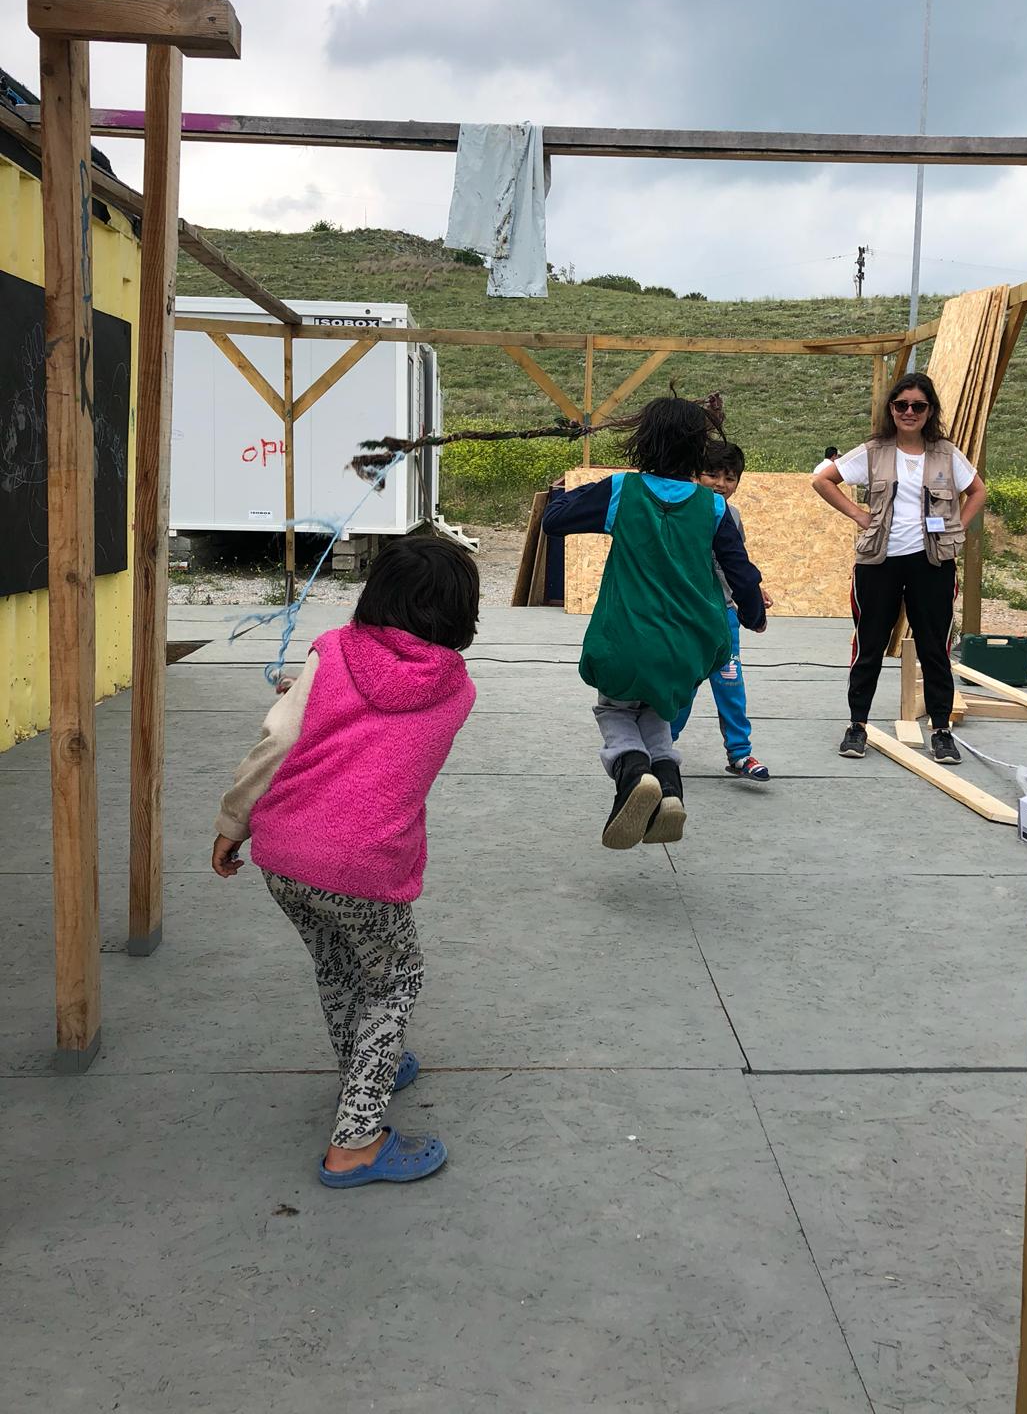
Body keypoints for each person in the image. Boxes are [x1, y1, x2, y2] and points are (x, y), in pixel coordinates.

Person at [210, 537, 479, 1190]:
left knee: (336, 967)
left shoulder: (329, 651)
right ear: (460, 614)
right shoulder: (457, 690)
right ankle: (356, 1143)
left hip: (284, 856)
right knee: (393, 981)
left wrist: (232, 823)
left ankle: (363, 1068)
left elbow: (282, 737)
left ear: (374, 593)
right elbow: (386, 720)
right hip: (364, 868)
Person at [542, 395, 766, 848]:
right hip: (689, 646)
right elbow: (742, 573)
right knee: (656, 715)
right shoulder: (714, 508)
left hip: (627, 637)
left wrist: (589, 489)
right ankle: (669, 793)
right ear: (698, 450)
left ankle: (632, 774)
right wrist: (754, 615)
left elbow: (554, 520)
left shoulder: (623, 490)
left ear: (643, 441)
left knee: (616, 709)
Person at [812, 371, 986, 765]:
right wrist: (860, 516)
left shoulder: (946, 454)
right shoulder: (873, 451)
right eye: (901, 405)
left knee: (934, 648)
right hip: (879, 562)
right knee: (869, 644)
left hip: (932, 563)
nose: (909, 412)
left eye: (918, 406)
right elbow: (823, 481)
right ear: (891, 409)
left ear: (930, 411)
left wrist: (958, 527)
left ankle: (941, 730)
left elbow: (978, 491)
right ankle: (857, 725)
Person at [671, 441, 772, 782]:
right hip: (687, 616)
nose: (720, 484)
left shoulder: (734, 515)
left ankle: (740, 753)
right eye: (712, 475)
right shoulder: (682, 512)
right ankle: (661, 747)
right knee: (683, 685)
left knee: (731, 683)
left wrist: (753, 592)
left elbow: (736, 564)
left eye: (730, 478)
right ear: (694, 475)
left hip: (724, 615)